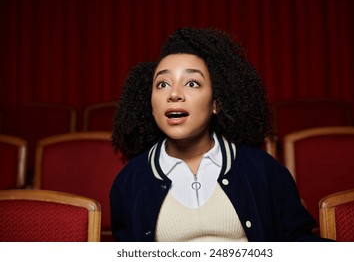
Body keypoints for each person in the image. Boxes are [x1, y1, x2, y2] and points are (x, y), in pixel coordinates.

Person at [110, 27, 330, 242]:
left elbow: (297, 241)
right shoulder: (129, 181)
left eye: (192, 83)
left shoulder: (263, 169)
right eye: (163, 84)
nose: (174, 94)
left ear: (216, 103)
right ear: (151, 104)